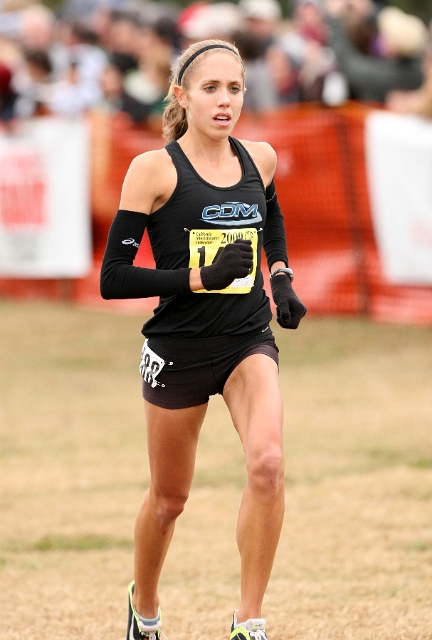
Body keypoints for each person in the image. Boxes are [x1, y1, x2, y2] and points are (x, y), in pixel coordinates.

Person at [100, 38, 307, 640]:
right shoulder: (153, 169)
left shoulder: (260, 158)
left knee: (268, 465)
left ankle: (249, 620)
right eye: (211, 89)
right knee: (169, 500)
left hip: (246, 340)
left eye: (235, 89)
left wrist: (283, 277)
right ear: (181, 96)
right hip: (179, 349)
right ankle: (146, 609)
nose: (225, 101)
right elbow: (113, 277)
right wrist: (196, 277)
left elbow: (272, 219)